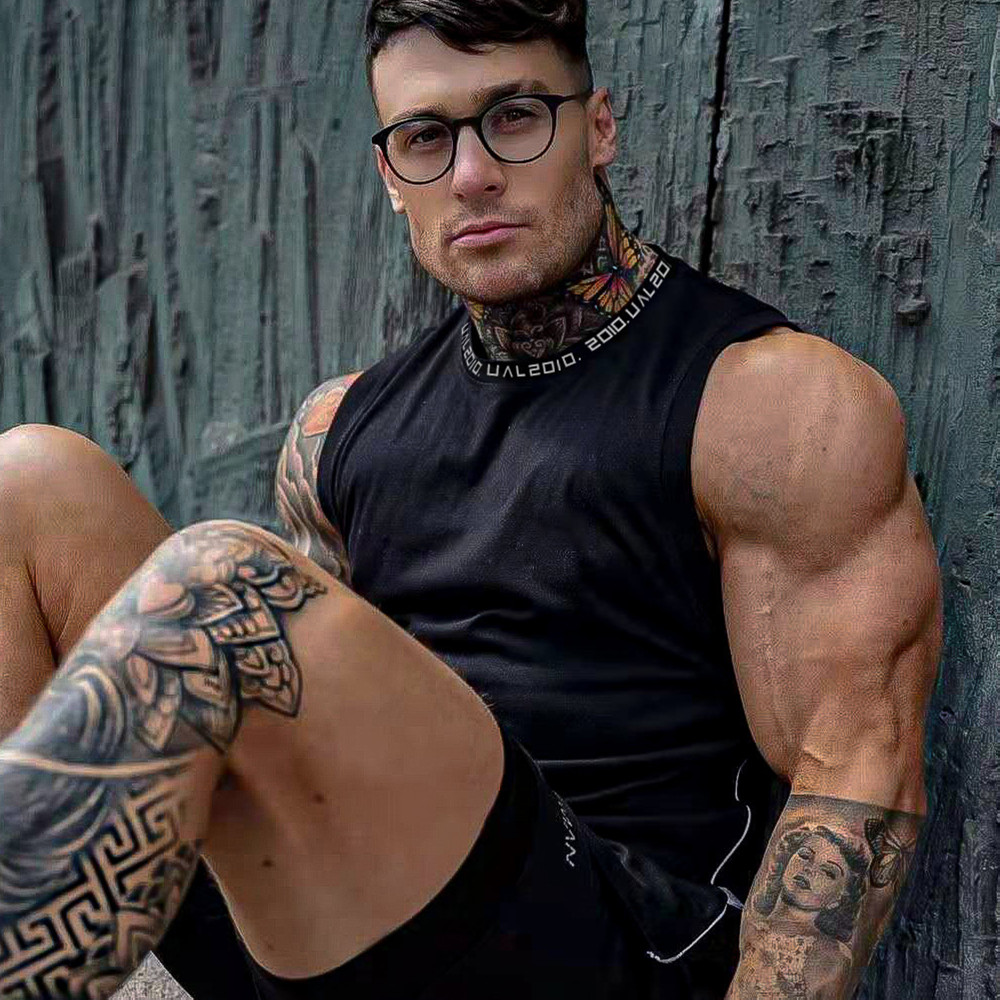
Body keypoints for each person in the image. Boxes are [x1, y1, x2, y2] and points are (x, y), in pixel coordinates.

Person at [0, 1, 943, 998]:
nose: (471, 174)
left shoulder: (767, 403)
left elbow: (857, 771)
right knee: (30, 480)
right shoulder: (339, 429)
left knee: (222, 587)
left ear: (599, 127)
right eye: (425, 138)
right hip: (360, 936)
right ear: (389, 176)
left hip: (601, 946)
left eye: (514, 118)